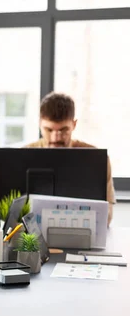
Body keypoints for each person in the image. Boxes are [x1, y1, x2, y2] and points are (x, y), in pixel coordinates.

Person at [25, 92, 115, 226]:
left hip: (84, 234)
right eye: (49, 130)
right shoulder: (25, 155)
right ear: (39, 124)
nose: (56, 138)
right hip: (32, 237)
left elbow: (107, 216)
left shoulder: (96, 159)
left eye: (63, 130)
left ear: (74, 124)